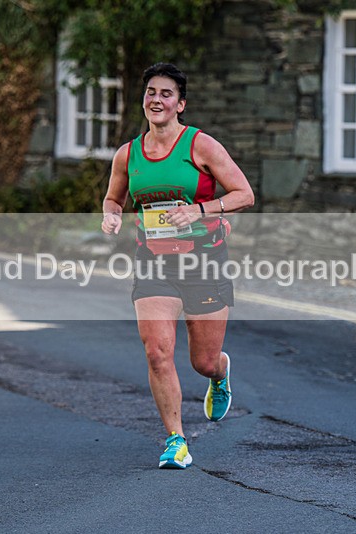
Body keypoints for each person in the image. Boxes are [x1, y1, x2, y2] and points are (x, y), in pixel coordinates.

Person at [101, 62, 254, 469]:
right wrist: (111, 215)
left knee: (202, 361)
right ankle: (176, 440)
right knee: (157, 352)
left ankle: (219, 373)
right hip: (153, 262)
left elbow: (244, 194)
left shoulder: (201, 146)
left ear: (180, 104)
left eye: (166, 94)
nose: (157, 100)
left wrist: (199, 210)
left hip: (204, 261)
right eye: (151, 92)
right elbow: (114, 198)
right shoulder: (128, 154)